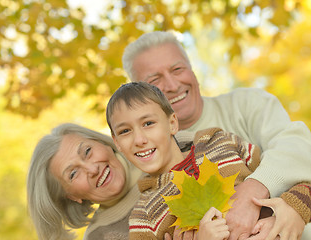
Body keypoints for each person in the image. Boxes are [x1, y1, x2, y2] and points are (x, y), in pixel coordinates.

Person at [122, 31, 311, 239]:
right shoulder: (146, 164)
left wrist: (256, 190)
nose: (173, 85)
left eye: (177, 69)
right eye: (155, 79)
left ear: (192, 70)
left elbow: (298, 147)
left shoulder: (245, 106)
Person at [27, 123, 143, 240]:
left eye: (87, 151)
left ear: (102, 143)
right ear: (71, 196)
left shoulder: (158, 157)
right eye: (73, 174)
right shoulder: (96, 236)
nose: (93, 169)